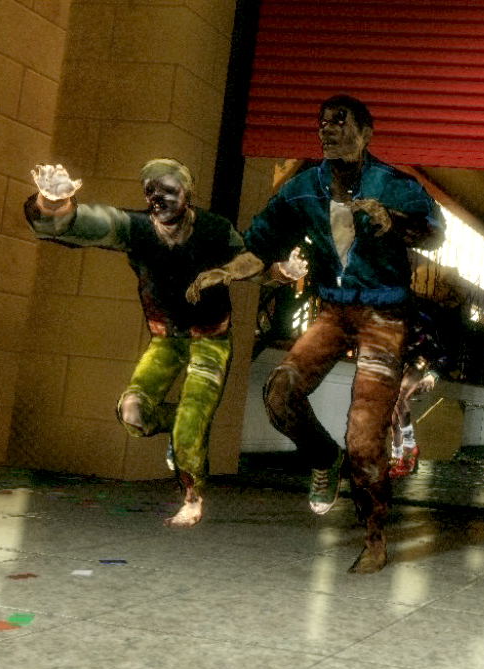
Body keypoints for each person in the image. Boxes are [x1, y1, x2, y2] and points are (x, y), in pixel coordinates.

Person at [188, 94, 445, 573]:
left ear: (365, 133)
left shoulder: (396, 185)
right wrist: (226, 272)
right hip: (332, 309)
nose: (328, 130)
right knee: (279, 392)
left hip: (384, 315)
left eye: (339, 122)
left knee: (364, 436)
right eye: (323, 123)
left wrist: (394, 222)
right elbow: (261, 246)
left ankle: (374, 535)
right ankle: (324, 458)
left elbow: (435, 232)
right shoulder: (303, 189)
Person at [23, 159, 270, 528]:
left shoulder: (215, 229)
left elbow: (253, 264)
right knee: (133, 415)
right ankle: (180, 421)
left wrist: (280, 272)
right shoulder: (136, 228)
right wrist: (53, 202)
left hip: (210, 340)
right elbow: (83, 224)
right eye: (151, 190)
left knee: (190, 427)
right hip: (166, 339)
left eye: (169, 189)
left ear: (187, 192)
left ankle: (192, 496)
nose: (159, 197)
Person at [387, 302, 449, 479]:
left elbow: (442, 355)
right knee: (393, 418)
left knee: (401, 396)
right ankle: (398, 457)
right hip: (399, 365)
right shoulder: (386, 320)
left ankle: (409, 446)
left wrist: (432, 375)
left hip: (419, 363)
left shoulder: (422, 321)